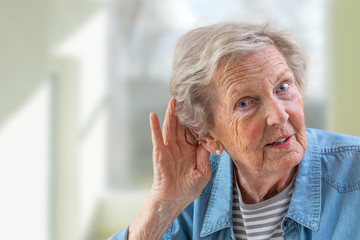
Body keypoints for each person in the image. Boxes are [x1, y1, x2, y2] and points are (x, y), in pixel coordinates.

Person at [109, 22, 360, 240]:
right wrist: (162, 204)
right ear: (207, 135)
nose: (279, 115)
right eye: (245, 103)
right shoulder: (192, 194)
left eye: (283, 87)